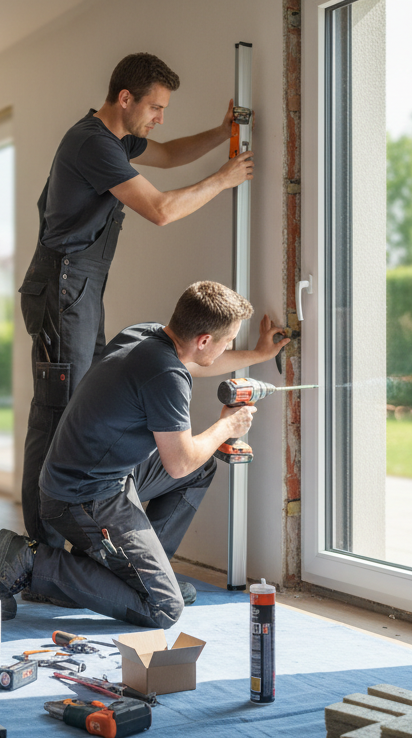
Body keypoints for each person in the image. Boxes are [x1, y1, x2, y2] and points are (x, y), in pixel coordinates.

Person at [18, 52, 256, 545]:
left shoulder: (115, 140)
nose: (160, 118)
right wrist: (223, 178)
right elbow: (161, 210)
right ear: (125, 98)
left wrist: (221, 133)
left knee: (78, 407)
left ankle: (74, 532)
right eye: (155, 107)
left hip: (79, 287)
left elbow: (167, 154)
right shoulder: (92, 143)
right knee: (58, 410)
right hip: (63, 287)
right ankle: (41, 548)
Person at [0, 282, 290, 628]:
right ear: (204, 340)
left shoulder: (146, 335)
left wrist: (259, 355)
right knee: (164, 608)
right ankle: (29, 561)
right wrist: (227, 426)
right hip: (82, 497)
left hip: (90, 475)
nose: (229, 346)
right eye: (228, 340)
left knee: (201, 469)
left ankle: (140, 575)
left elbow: (199, 365)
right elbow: (179, 464)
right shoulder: (167, 375)